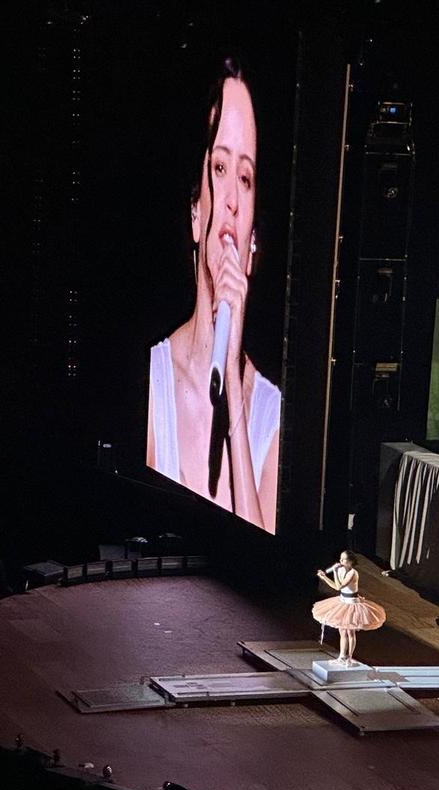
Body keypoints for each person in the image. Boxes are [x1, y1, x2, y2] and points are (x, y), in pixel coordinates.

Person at [147, 58, 281, 534]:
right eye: (219, 167)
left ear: (253, 245)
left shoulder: (271, 412)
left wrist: (236, 418)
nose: (230, 199)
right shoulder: (154, 379)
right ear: (193, 212)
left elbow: (263, 563)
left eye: (245, 177)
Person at [312, 552, 386, 666]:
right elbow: (336, 586)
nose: (341, 562)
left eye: (344, 560)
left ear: (351, 561)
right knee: (342, 631)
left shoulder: (353, 573)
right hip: (342, 601)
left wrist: (333, 573)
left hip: (352, 604)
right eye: (340, 559)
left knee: (350, 632)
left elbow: (339, 586)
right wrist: (324, 576)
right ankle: (342, 656)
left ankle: (349, 658)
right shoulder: (341, 570)